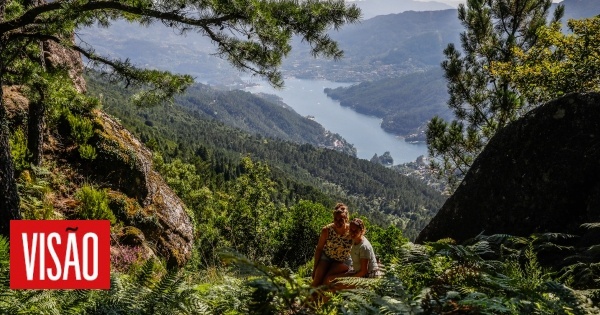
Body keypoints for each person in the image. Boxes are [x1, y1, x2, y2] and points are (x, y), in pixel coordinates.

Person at [325, 218, 379, 286]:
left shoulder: (364, 247)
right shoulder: (353, 239)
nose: (352, 233)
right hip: (357, 271)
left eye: (355, 231)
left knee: (336, 285)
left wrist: (349, 279)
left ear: (361, 231)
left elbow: (364, 271)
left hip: (368, 276)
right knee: (330, 279)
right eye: (351, 230)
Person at [311, 203, 353, 287]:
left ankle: (323, 299)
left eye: (341, 219)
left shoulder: (352, 231)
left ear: (346, 219)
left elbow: (360, 244)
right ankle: (307, 299)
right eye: (335, 219)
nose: (338, 222)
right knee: (317, 280)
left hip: (342, 260)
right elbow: (319, 248)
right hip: (327, 257)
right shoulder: (326, 230)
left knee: (327, 281)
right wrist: (315, 268)